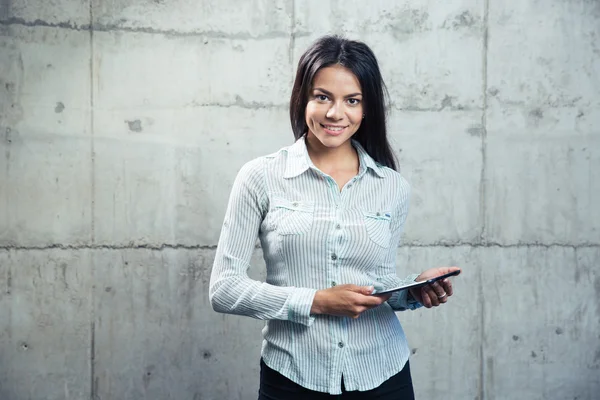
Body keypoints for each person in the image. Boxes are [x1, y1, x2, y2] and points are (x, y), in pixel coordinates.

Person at [209, 35, 461, 399]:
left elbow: (377, 282)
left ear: (366, 108)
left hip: (383, 374)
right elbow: (223, 289)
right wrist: (316, 301)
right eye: (322, 96)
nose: (335, 113)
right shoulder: (260, 177)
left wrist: (411, 289)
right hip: (293, 375)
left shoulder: (392, 186)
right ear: (302, 99)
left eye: (352, 100)